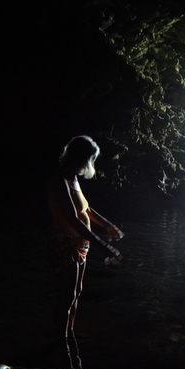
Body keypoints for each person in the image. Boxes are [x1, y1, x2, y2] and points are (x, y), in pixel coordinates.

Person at [47, 135, 124, 338]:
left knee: (77, 291)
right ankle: (59, 341)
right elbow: (72, 218)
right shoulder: (60, 180)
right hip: (66, 243)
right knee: (67, 295)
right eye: (90, 159)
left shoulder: (74, 179)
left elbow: (86, 209)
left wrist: (107, 225)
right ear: (82, 158)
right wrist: (102, 245)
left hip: (81, 243)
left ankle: (69, 334)